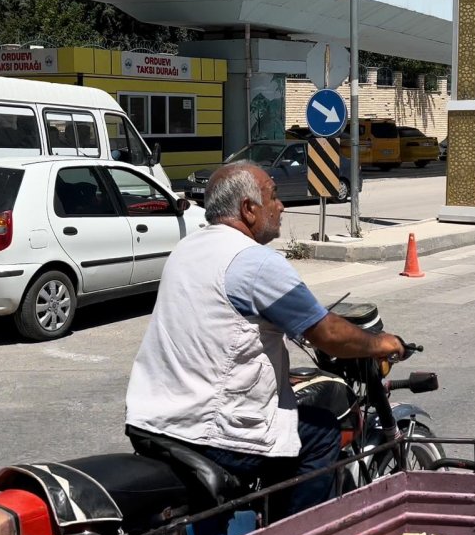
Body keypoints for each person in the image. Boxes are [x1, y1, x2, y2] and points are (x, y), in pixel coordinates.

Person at [125, 161, 405, 516]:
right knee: (320, 432)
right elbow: (329, 334)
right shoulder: (254, 262)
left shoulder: (188, 248)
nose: (281, 205)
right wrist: (384, 343)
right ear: (248, 209)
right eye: (273, 197)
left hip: (152, 416)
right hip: (208, 430)